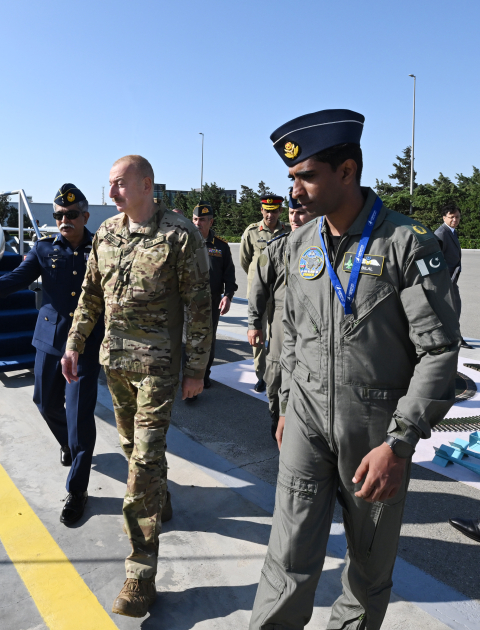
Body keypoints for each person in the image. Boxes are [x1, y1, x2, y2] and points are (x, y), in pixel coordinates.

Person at [249, 109, 459, 630]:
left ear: (347, 171)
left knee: (366, 574)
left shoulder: (408, 245)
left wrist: (400, 443)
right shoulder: (298, 247)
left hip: (376, 433)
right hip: (304, 423)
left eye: (306, 176)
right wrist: (284, 405)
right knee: (286, 559)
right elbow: (290, 336)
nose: (294, 191)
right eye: (291, 178)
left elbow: (439, 352)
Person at [62, 155, 211, 618]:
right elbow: (90, 293)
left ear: (146, 185)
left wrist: (196, 370)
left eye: (119, 185)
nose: (111, 195)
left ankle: (140, 574)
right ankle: (159, 497)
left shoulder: (179, 235)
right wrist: (74, 342)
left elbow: (199, 305)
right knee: (131, 447)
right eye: (109, 185)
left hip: (159, 369)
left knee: (143, 462)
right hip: (115, 363)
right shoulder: (106, 234)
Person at [0, 184, 104, 527]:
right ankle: (70, 444)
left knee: (80, 416)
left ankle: (77, 489)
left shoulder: (102, 249)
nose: (65, 220)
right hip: (50, 340)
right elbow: (17, 278)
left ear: (86, 216)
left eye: (72, 214)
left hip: (87, 345)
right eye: (59, 215)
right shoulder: (45, 248)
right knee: (44, 402)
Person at [247, 190, 312, 438]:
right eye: (292, 212)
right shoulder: (277, 248)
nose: (295, 218)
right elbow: (259, 288)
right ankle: (277, 427)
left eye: (301, 213)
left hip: (312, 330)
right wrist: (255, 323)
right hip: (280, 330)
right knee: (274, 380)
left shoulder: (325, 248)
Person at [186, 201, 236, 402]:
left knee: (208, 341)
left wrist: (228, 296)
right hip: (187, 303)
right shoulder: (184, 242)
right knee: (187, 342)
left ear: (211, 221)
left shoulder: (221, 246)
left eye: (203, 220)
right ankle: (189, 378)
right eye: (195, 219)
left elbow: (229, 275)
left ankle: (203, 377)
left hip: (211, 302)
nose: (198, 223)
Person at [240, 195, 290, 392]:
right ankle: (261, 375)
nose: (270, 214)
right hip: (258, 293)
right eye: (267, 211)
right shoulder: (252, 232)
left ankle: (275, 371)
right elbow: (245, 261)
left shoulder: (287, 231)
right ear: (262, 211)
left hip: (279, 292)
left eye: (274, 211)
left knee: (278, 334)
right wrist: (257, 280)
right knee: (258, 335)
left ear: (280, 211)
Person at [435, 203, 470, 349]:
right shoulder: (441, 233)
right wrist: (443, 279)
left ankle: (450, 336)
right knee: (453, 307)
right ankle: (454, 337)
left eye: (457, 217)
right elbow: (437, 259)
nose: (455, 220)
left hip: (451, 278)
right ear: (444, 217)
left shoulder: (452, 231)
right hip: (445, 279)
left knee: (453, 307)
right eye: (451, 217)